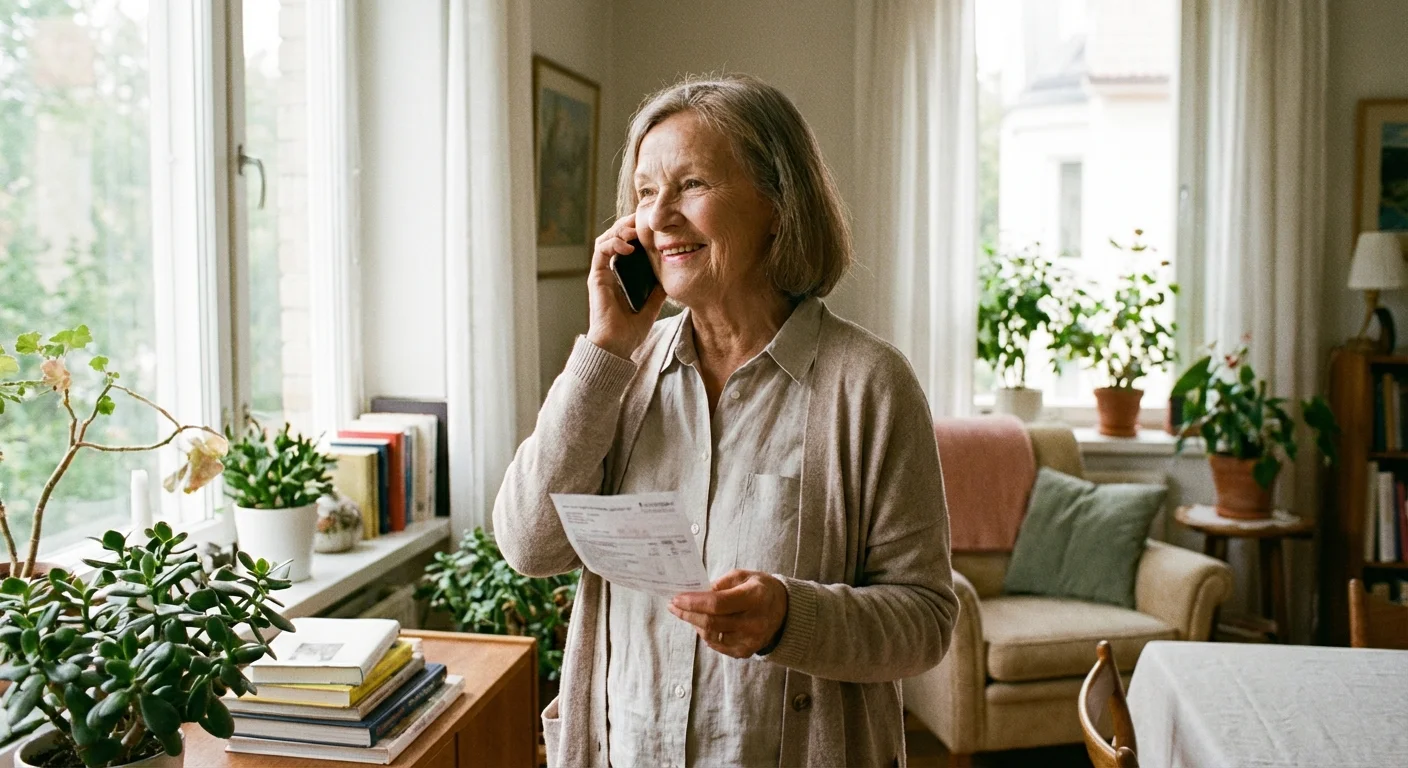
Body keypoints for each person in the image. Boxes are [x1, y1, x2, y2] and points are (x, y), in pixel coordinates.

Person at [493, 73, 957, 768]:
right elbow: (530, 545)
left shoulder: (870, 385)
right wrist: (605, 347)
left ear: (778, 203)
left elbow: (924, 621)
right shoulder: (621, 371)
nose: (660, 217)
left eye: (692, 185)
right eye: (646, 194)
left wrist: (789, 618)